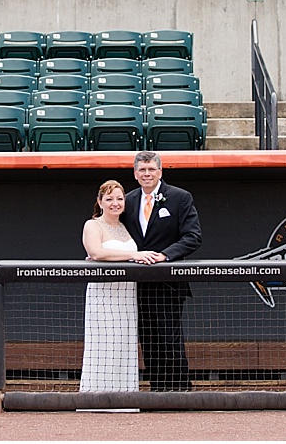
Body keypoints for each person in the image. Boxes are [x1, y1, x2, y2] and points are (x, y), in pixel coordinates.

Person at [121, 151, 202, 392]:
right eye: (142, 170)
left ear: (160, 172)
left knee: (170, 339)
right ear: (135, 174)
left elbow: (193, 236)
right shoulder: (128, 200)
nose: (147, 174)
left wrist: (165, 255)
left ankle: (180, 393)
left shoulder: (180, 197)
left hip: (168, 283)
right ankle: (157, 392)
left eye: (151, 170)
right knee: (148, 341)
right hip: (136, 284)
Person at [79, 180, 160, 406]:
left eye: (119, 199)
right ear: (100, 202)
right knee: (102, 345)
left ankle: (124, 399)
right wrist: (134, 256)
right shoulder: (93, 225)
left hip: (126, 294)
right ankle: (95, 400)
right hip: (104, 294)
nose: (115, 203)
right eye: (109, 199)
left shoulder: (126, 226)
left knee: (124, 345)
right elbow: (96, 253)